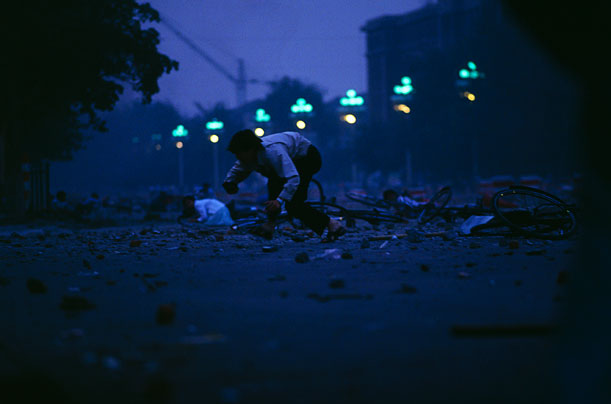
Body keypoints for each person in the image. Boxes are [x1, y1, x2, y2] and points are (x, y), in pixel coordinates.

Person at [222, 129, 345, 240]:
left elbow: (293, 178)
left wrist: (280, 200)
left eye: (239, 153)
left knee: (294, 205)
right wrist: (230, 182)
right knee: (273, 188)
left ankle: (332, 224)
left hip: (307, 158)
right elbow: (238, 169)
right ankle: (270, 225)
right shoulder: (248, 158)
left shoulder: (273, 152)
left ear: (250, 149)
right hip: (288, 165)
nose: (237, 157)